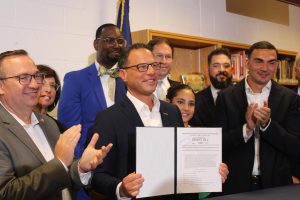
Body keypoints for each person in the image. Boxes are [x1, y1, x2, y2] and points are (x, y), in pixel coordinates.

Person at [90, 43, 228, 200]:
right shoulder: (109, 118)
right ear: (123, 74)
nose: (150, 72)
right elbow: (97, 176)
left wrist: (209, 171)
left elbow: (182, 165)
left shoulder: (172, 111)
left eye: (153, 65)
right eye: (142, 66)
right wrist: (121, 188)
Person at [0, 49, 112, 200]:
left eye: (36, 76)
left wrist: (81, 168)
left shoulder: (49, 124)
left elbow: (64, 180)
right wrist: (59, 163)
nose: (34, 85)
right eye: (23, 78)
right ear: (1, 86)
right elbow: (6, 194)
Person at [215, 41, 300, 194]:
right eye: (259, 61)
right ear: (247, 63)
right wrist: (247, 128)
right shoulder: (225, 97)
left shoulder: (291, 98)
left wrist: (268, 125)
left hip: (277, 185)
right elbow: (217, 143)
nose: (265, 68)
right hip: (235, 184)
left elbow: (295, 145)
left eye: (271, 63)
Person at [58, 23, 126, 159]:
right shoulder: (75, 79)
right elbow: (69, 128)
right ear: (96, 44)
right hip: (89, 162)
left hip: (123, 160)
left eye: (120, 41)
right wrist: (81, 163)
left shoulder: (128, 80)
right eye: (109, 40)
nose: (116, 45)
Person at [191, 48, 232, 127]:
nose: (222, 70)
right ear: (208, 70)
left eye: (226, 66)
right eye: (216, 66)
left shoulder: (242, 95)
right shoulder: (197, 100)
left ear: (232, 70)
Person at [34, 64, 66, 132]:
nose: (48, 90)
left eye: (52, 85)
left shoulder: (59, 128)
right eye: (42, 84)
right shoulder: (20, 121)